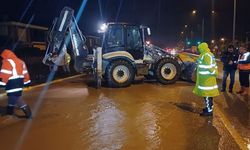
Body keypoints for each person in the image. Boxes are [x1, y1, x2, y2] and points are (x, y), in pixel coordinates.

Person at [0, 49, 32, 119]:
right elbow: (25, 73)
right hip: (19, 82)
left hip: (12, 83)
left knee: (17, 98)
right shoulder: (21, 61)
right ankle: (9, 113)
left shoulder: (7, 62)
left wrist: (1, 83)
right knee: (12, 98)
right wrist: (26, 82)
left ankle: (29, 115)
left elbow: (5, 74)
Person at [193, 43, 220, 116]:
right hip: (205, 79)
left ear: (202, 48)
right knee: (208, 95)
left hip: (207, 79)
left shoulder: (206, 55)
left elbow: (209, 66)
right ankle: (208, 108)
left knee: (207, 95)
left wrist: (215, 73)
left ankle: (209, 111)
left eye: (199, 48)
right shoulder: (205, 54)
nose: (199, 50)